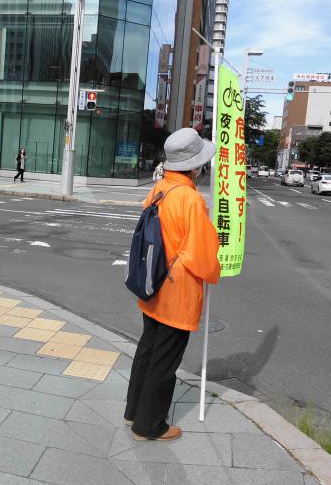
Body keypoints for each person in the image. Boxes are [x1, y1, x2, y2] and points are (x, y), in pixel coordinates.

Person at [124, 128, 221, 441]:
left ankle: (133, 412)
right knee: (165, 361)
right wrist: (218, 266)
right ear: (194, 166)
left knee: (148, 349)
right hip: (176, 291)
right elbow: (201, 256)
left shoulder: (159, 188)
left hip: (151, 283)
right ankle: (149, 425)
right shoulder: (190, 199)